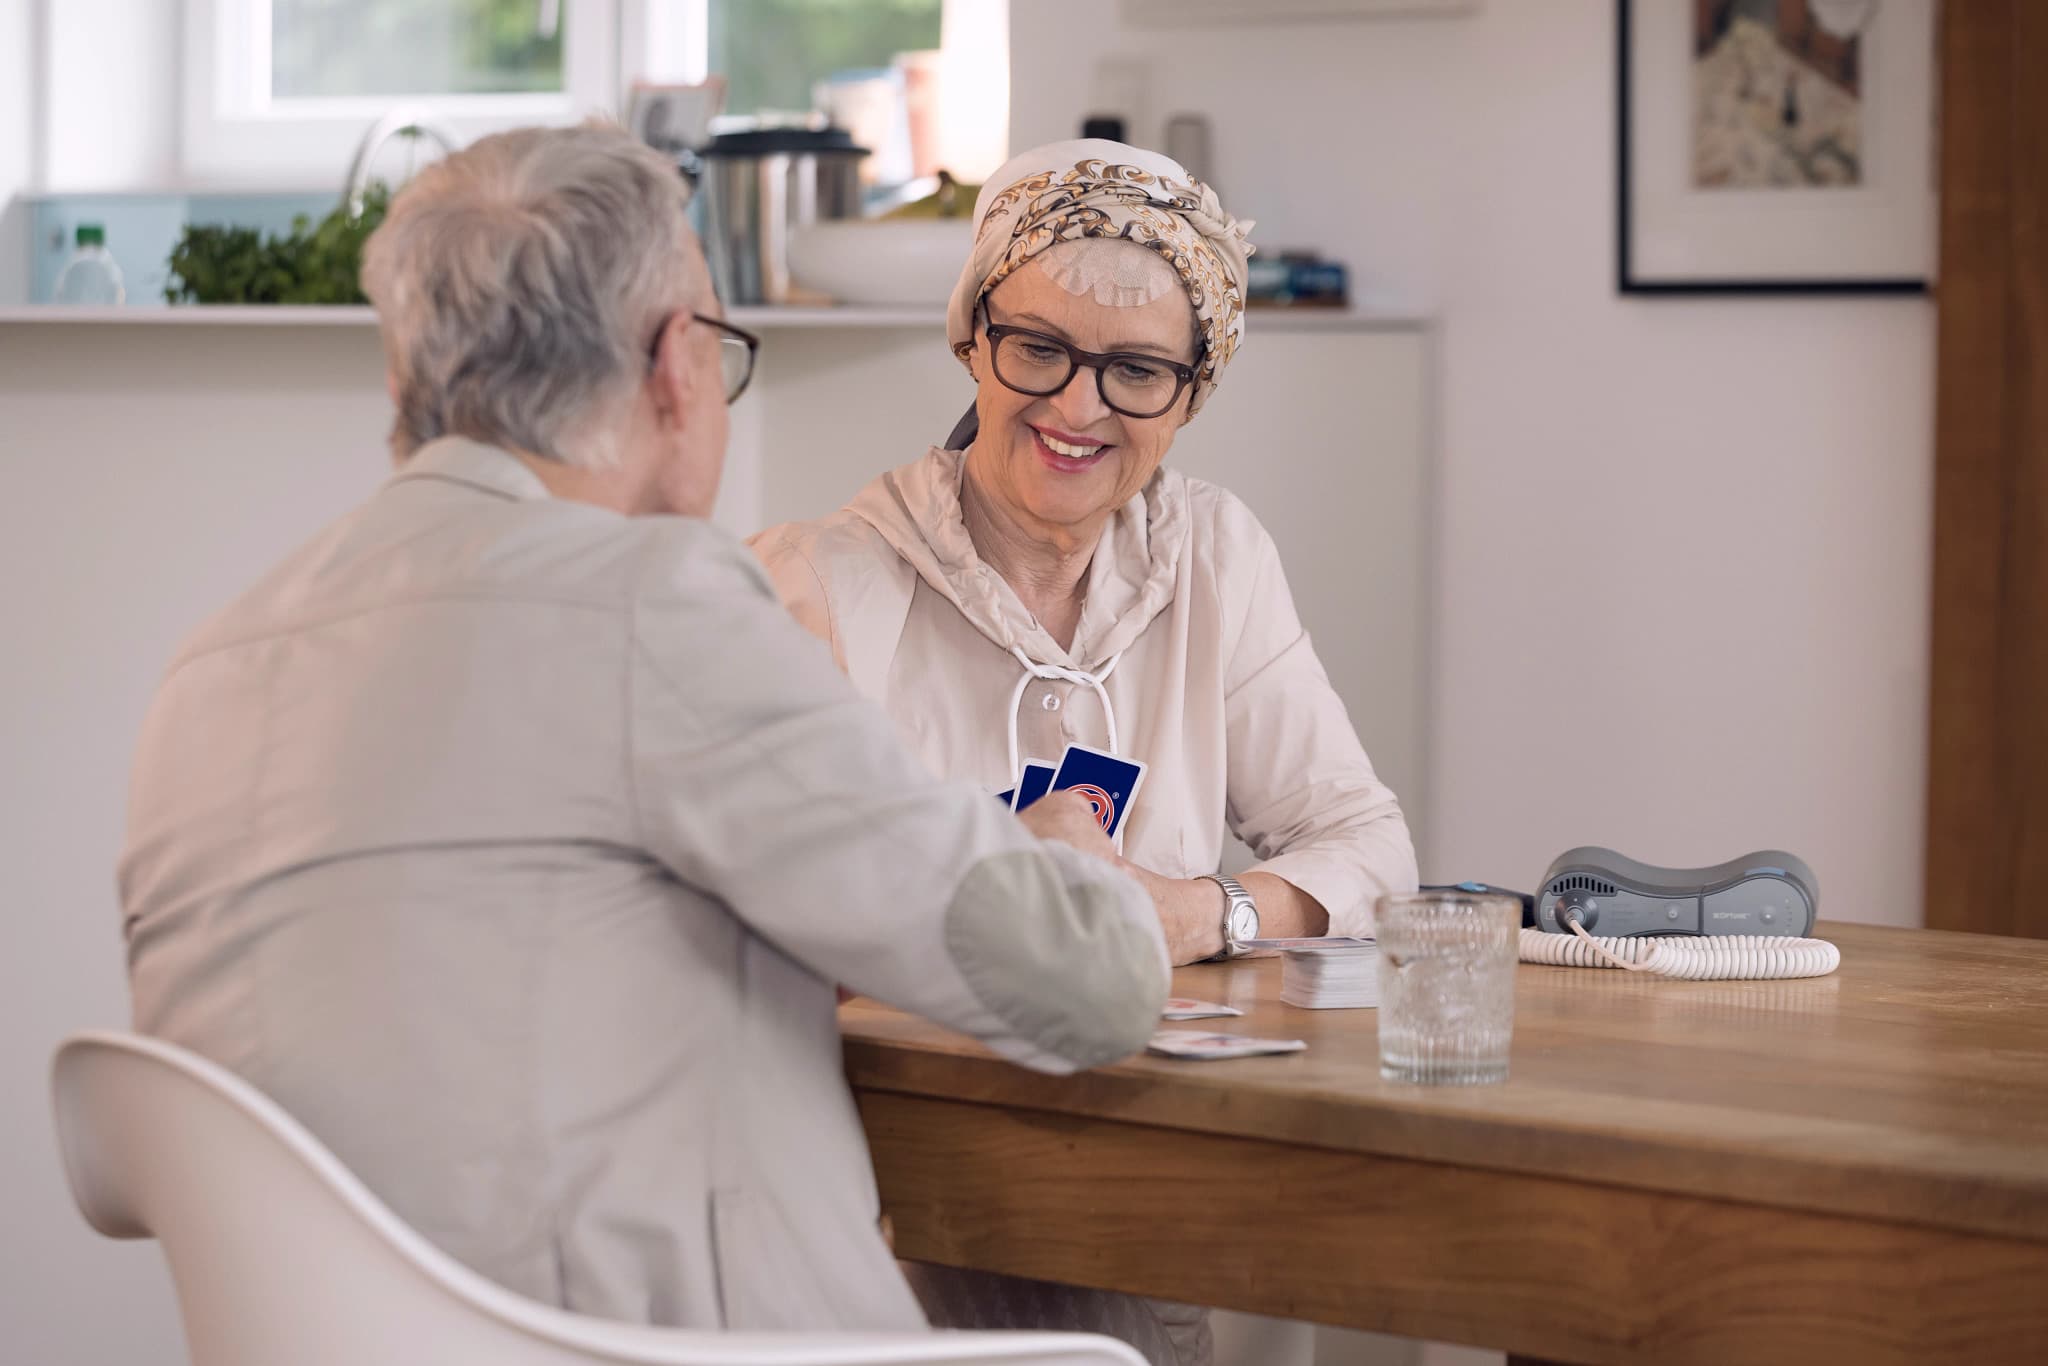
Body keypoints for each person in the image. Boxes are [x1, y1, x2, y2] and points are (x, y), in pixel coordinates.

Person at [116, 123, 1169, 1334]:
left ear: (409, 381)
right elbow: (1090, 985)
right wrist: (1066, 863)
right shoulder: (651, 603)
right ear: (676, 366)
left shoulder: (210, 668)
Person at [751, 139, 1420, 1366]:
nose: (1075, 407)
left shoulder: (1212, 559)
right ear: (971, 337)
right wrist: (981, 895)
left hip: (1142, 1161)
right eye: (1039, 349)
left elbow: (1370, 848)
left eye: (1135, 372)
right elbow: (740, 945)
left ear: (1189, 394)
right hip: (887, 1195)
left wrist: (1197, 909)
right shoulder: (816, 585)